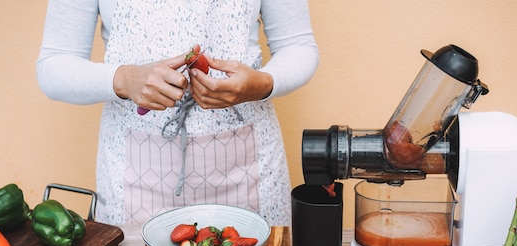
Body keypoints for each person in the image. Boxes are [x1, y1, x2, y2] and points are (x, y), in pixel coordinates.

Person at [36, 0, 319, 226]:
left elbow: (298, 46)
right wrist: (123, 79)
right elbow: (53, 67)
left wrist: (263, 84)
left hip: (250, 172)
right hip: (133, 179)